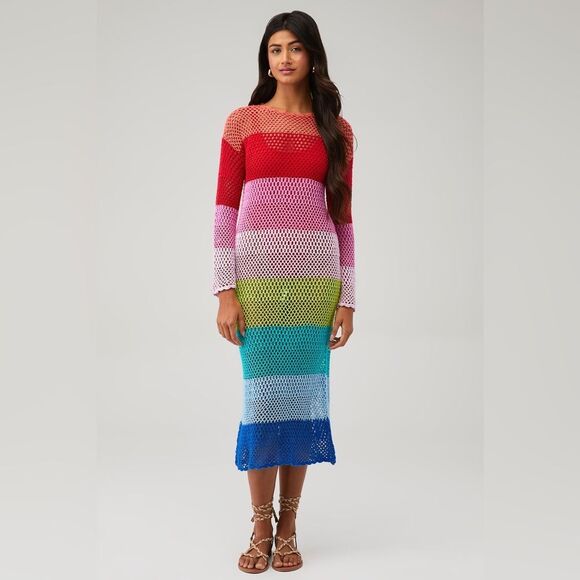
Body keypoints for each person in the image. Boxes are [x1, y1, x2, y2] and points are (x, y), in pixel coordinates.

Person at [211, 10, 356, 574]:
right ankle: (260, 524)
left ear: (312, 55)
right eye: (275, 49)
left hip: (315, 286)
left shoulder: (336, 131)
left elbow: (343, 221)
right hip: (257, 285)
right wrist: (224, 290)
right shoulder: (242, 124)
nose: (285, 58)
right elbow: (224, 212)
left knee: (301, 402)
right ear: (265, 59)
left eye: (295, 47)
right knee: (262, 403)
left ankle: (289, 526)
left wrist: (348, 297)